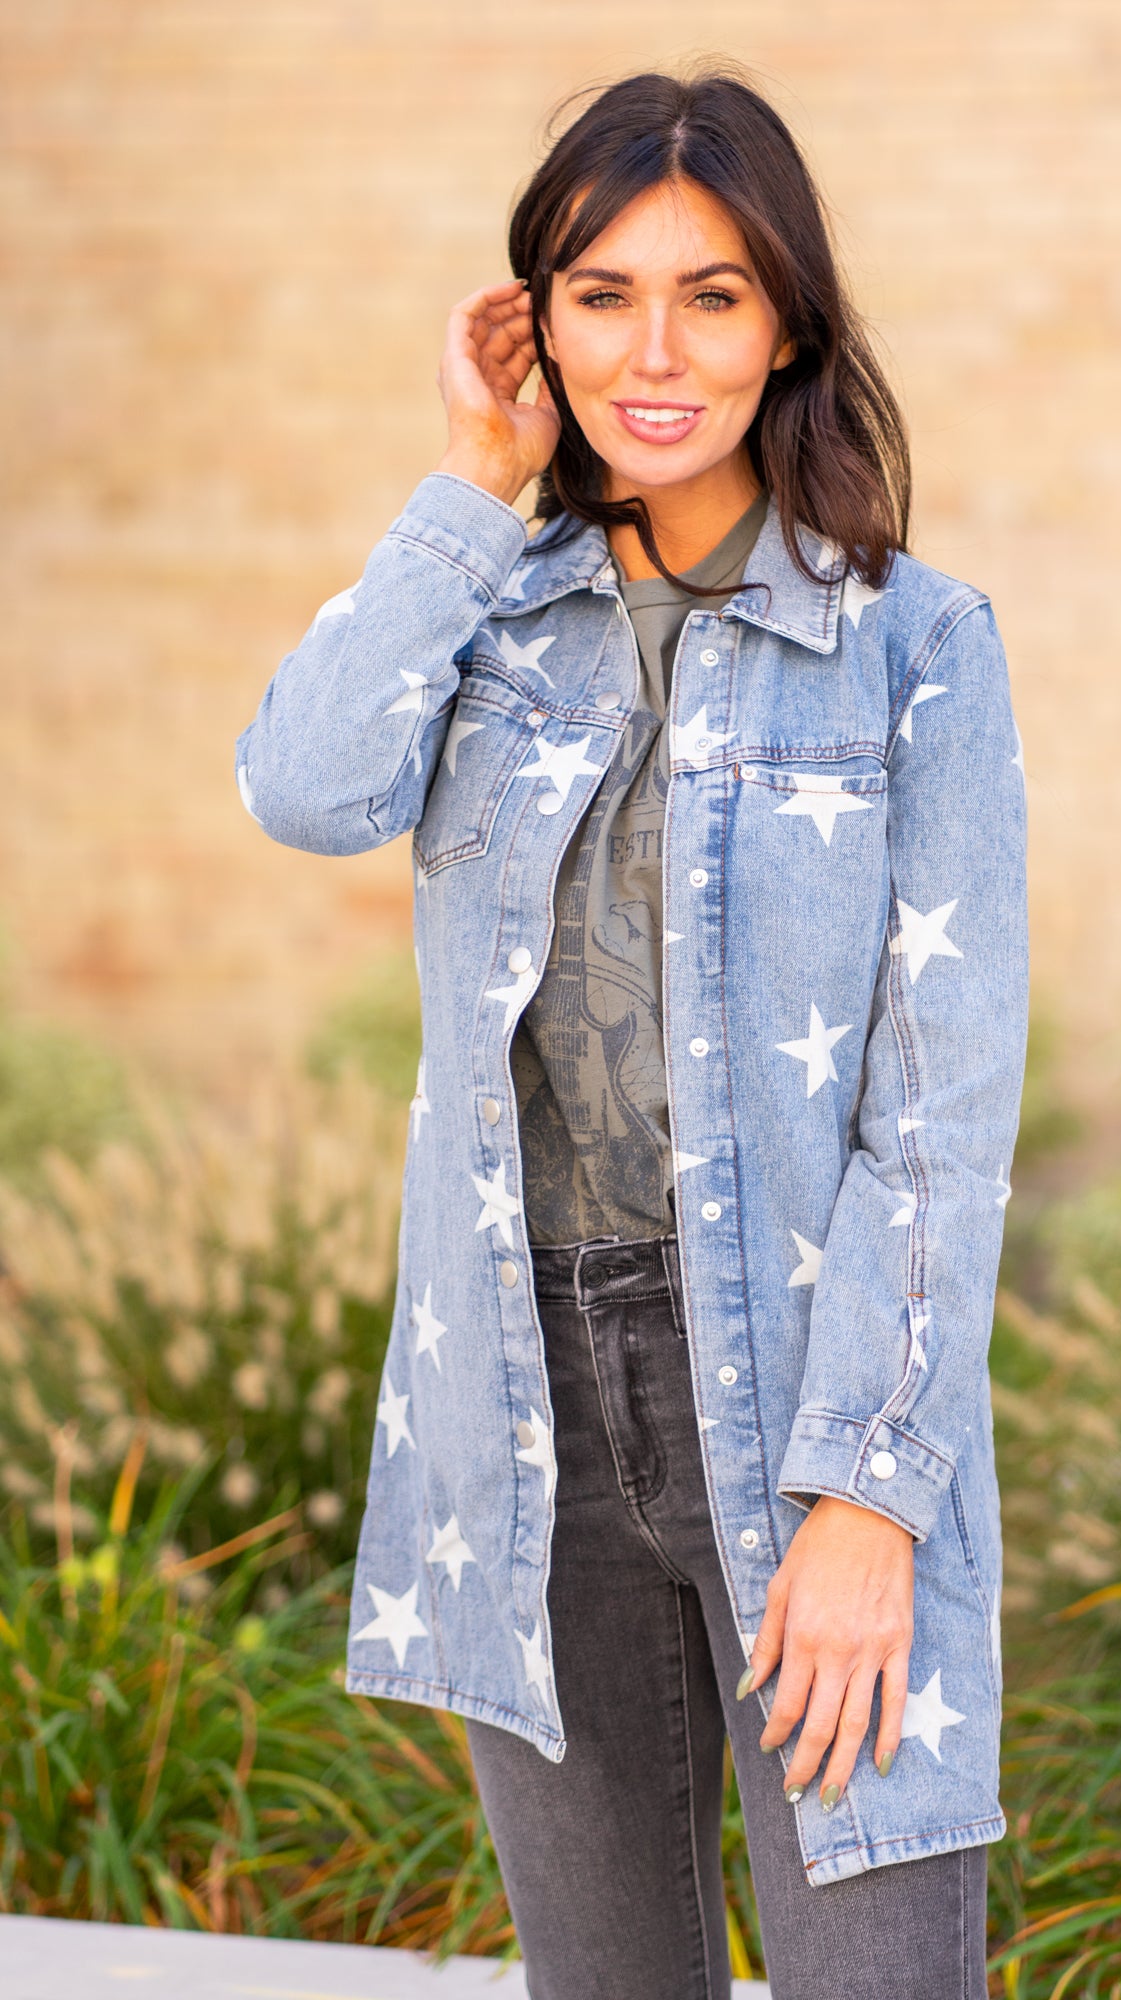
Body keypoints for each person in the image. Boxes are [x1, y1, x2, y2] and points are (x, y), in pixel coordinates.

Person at [236, 65, 1027, 2000]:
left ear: (787, 328)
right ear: (538, 319)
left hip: (809, 1392)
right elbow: (303, 786)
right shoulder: (482, 617)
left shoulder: (913, 645)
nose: (652, 354)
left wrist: (869, 1496)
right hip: (523, 1405)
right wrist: (465, 482)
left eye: (710, 296)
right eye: (601, 295)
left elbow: (940, 1112)